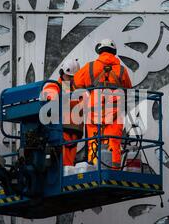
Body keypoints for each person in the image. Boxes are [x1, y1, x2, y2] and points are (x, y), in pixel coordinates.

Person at [73, 39, 132, 169]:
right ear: (114, 52)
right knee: (114, 142)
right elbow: (128, 88)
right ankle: (114, 169)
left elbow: (76, 84)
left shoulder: (89, 67)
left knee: (94, 142)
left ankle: (94, 168)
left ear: (99, 51)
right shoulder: (122, 70)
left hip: (94, 112)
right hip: (115, 113)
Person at [43, 59, 82, 166]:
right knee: (63, 165)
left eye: (73, 77)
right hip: (61, 132)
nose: (71, 79)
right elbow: (48, 93)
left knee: (69, 165)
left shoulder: (75, 90)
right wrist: (53, 98)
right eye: (69, 76)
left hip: (74, 133)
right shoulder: (55, 86)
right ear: (62, 73)